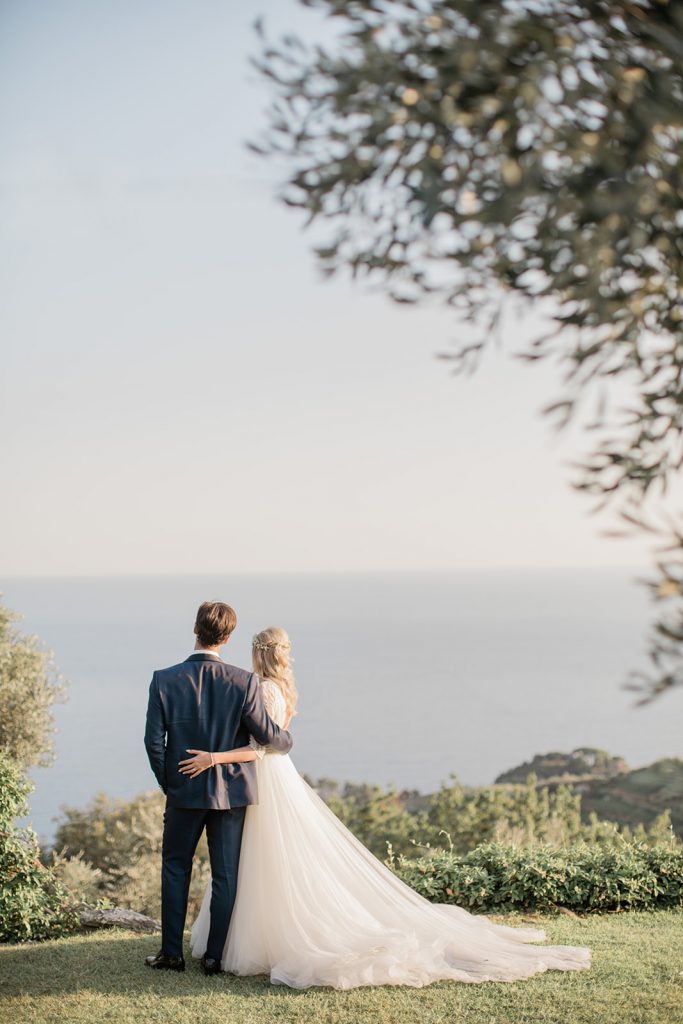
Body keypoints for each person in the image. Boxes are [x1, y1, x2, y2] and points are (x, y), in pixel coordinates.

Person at [182, 627, 591, 989]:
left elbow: (260, 747)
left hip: (267, 779)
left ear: (259, 653)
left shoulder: (263, 689)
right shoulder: (281, 688)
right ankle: (252, 932)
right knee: (274, 860)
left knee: (265, 859)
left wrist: (214, 757)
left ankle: (261, 936)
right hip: (277, 777)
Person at [143, 602, 293, 974]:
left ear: (196, 628)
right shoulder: (244, 682)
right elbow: (269, 738)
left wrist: (172, 784)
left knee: (176, 868)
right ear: (227, 638)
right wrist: (286, 734)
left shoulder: (164, 679)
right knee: (226, 875)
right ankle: (214, 958)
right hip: (231, 796)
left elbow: (153, 743)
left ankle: (171, 955)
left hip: (184, 793)